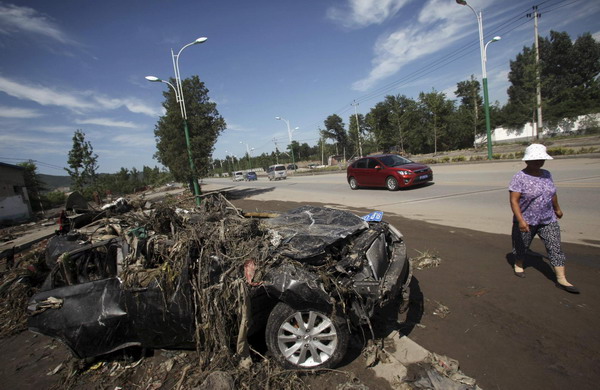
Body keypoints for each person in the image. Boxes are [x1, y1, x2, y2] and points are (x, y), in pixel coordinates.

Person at [508, 144, 579, 294]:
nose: (538, 162)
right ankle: (519, 263)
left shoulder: (546, 174)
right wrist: (520, 220)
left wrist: (557, 208)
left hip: (548, 218)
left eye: (541, 159)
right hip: (527, 220)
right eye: (535, 159)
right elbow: (514, 201)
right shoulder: (519, 177)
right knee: (522, 246)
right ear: (527, 161)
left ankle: (561, 278)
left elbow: (552, 193)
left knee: (555, 247)